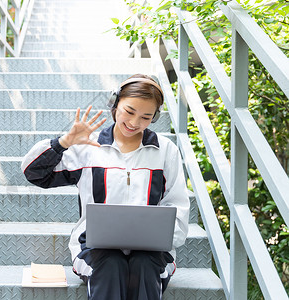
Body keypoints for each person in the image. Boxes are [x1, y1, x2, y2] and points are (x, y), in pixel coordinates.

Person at [21, 74, 190, 300]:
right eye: (129, 112)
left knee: (144, 267)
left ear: (155, 117)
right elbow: (34, 173)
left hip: (153, 252)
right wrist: (64, 142)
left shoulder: (166, 150)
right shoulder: (88, 146)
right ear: (115, 103)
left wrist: (165, 240)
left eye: (146, 117)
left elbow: (178, 205)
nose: (134, 123)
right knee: (110, 266)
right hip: (93, 249)